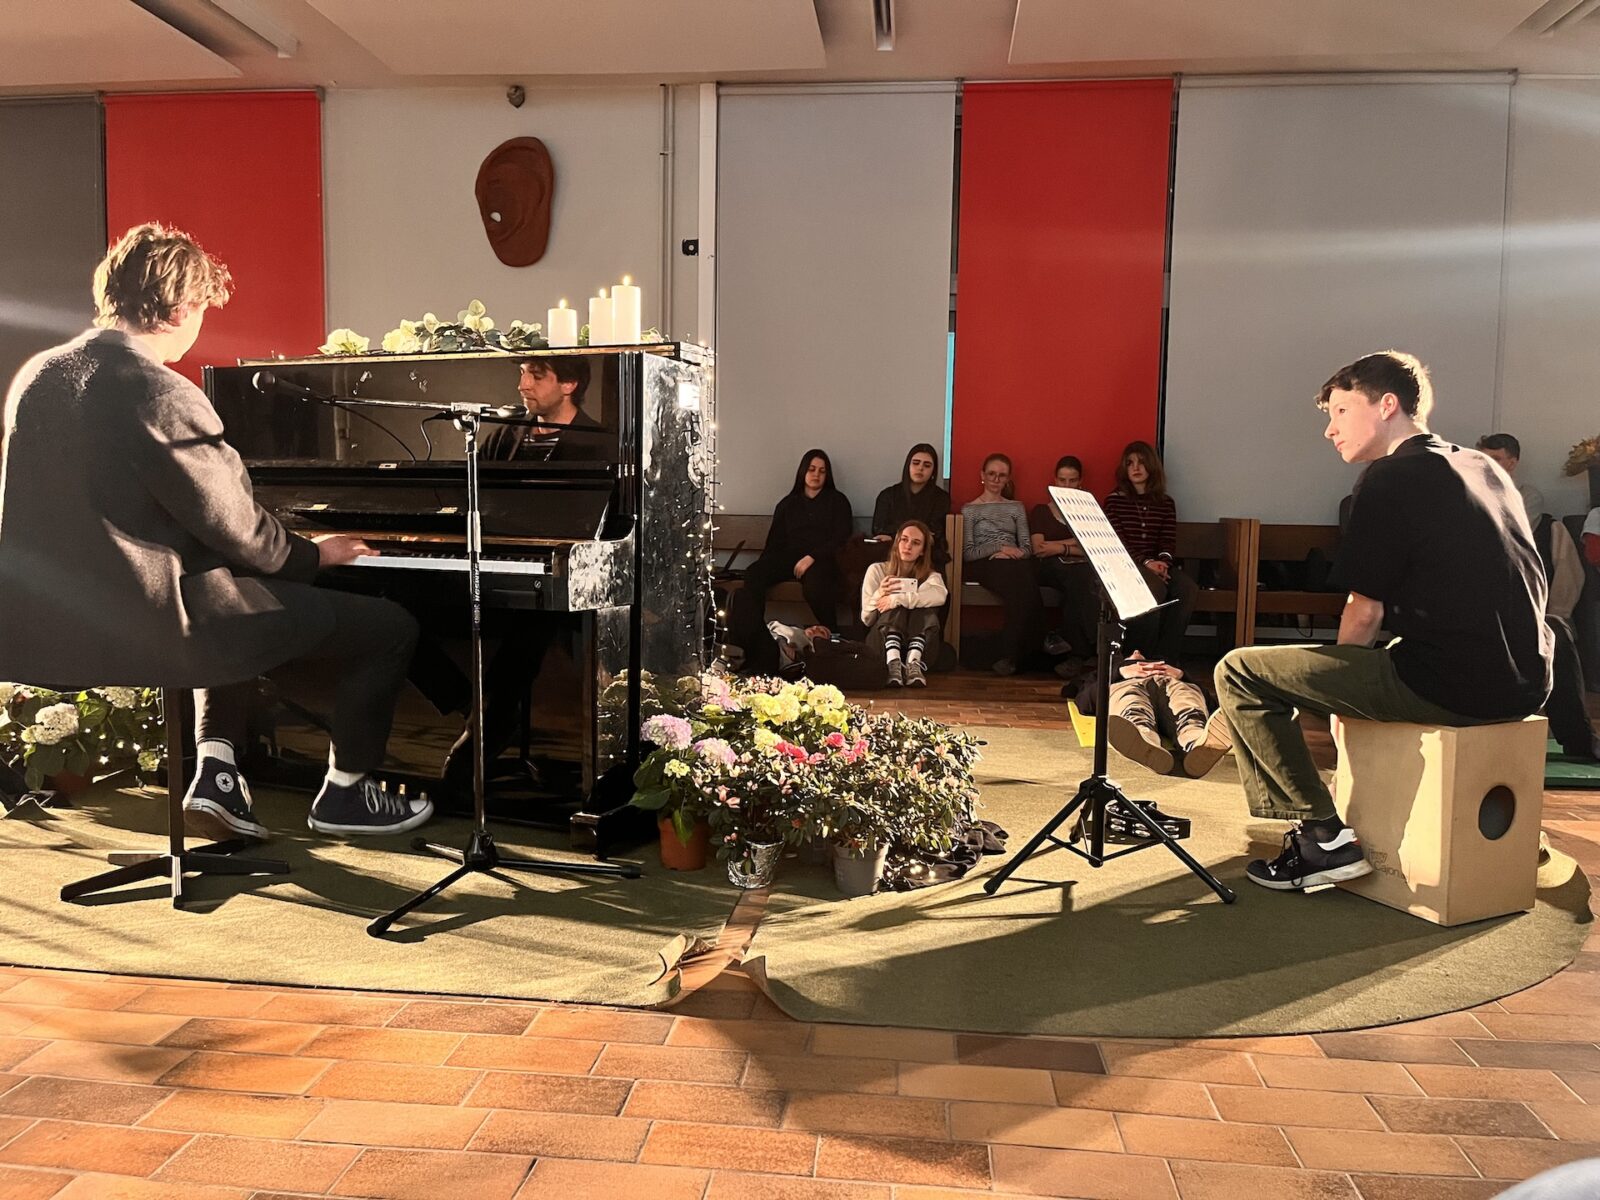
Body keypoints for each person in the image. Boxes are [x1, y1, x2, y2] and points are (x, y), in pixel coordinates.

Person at [0, 223, 432, 841]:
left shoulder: (39, 375)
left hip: (54, 624)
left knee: (227, 590)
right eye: (202, 308)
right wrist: (313, 554)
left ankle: (219, 774)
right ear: (181, 308)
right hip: (153, 626)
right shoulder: (157, 388)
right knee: (388, 627)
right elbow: (238, 528)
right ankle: (345, 794)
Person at [1215, 351, 1553, 891]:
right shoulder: (1482, 467)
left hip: (1454, 685)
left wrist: (1334, 701)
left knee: (1239, 672)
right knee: (1397, 651)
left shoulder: (1390, 477)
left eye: (1341, 411)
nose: (1330, 430)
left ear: (1387, 405)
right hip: (1530, 680)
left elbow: (1364, 610)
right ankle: (1515, 836)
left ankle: (1322, 839)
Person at [728, 449, 853, 670]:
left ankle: (832, 635)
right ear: (803, 472)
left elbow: (841, 538)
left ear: (828, 475)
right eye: (812, 469)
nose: (816, 475)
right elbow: (774, 543)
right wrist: (765, 566)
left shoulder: (837, 501)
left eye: (822, 471)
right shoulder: (788, 504)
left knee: (816, 585)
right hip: (788, 558)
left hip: (821, 560)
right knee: (755, 573)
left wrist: (812, 557)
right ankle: (754, 635)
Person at [1103, 441, 1197, 664]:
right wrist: (1146, 563)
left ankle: (1166, 656)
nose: (1136, 468)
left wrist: (1163, 563)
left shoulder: (1165, 503)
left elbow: (1167, 540)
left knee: (1187, 588)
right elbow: (1118, 542)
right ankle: (1139, 654)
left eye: (1142, 462)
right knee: (1153, 587)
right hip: (1128, 565)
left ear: (1152, 466)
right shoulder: (1114, 501)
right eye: (1130, 463)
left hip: (1158, 565)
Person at [962, 453, 1044, 676]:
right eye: (991, 474)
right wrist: (999, 548)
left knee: (1022, 583)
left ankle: (1010, 655)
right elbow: (968, 553)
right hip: (984, 562)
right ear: (982, 475)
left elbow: (1026, 548)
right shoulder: (970, 509)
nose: (996, 479)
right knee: (1022, 584)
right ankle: (1029, 651)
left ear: (1008, 479)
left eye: (1001, 475)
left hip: (1015, 562)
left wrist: (1012, 553)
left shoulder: (1016, 507)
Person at [1096, 652, 1233, 779]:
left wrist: (1182, 675)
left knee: (1189, 709)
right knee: (1133, 708)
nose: (1137, 651)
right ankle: (1146, 742)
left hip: (1175, 683)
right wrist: (1118, 672)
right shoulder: (1112, 671)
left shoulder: (1176, 672)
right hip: (1127, 684)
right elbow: (1087, 697)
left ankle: (1198, 744)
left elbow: (1209, 702)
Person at [1029, 455, 1100, 666]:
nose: (1066, 485)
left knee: (1082, 582)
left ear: (1080, 482)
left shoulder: (1088, 512)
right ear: (1055, 481)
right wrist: (1077, 542)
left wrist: (1060, 547)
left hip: (1080, 570)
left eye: (1072, 480)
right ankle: (1092, 650)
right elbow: (1039, 549)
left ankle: (1076, 652)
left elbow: (1095, 548)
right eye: (1062, 480)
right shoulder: (1042, 511)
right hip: (1049, 569)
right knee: (1082, 581)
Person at [861, 519, 947, 687]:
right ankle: (893, 662)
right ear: (896, 543)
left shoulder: (931, 576)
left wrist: (898, 599)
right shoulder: (877, 570)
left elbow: (940, 596)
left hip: (918, 649)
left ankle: (913, 662)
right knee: (897, 605)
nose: (908, 546)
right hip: (881, 646)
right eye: (904, 540)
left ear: (922, 551)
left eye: (916, 543)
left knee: (921, 604)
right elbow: (866, 619)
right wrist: (880, 593)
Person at [482, 355, 603, 461]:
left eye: (537, 376)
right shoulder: (501, 439)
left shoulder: (599, 445)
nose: (522, 386)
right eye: (522, 373)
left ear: (569, 384)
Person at [871, 443, 950, 565]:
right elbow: (879, 531)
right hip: (890, 555)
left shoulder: (941, 498)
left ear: (933, 471)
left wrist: (895, 535)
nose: (920, 468)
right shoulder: (888, 495)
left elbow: (934, 534)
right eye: (916, 463)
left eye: (927, 465)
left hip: (927, 557)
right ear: (908, 465)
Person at [1476, 432, 1546, 524]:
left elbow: (1514, 531)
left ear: (1512, 463)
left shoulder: (1529, 497)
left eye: (1495, 459)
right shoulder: (1469, 491)